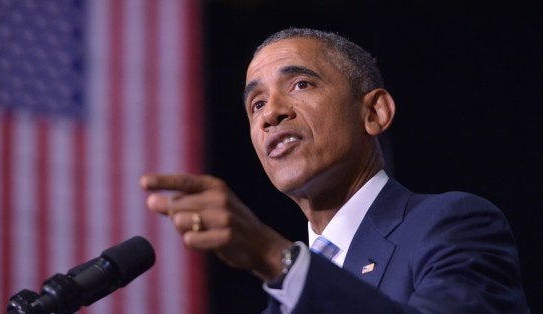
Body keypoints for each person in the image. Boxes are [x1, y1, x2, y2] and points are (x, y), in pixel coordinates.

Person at [140, 27, 529, 313]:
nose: (271, 113)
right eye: (256, 104)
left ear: (374, 112)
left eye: (301, 84)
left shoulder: (453, 225)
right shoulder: (280, 304)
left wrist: (274, 257)